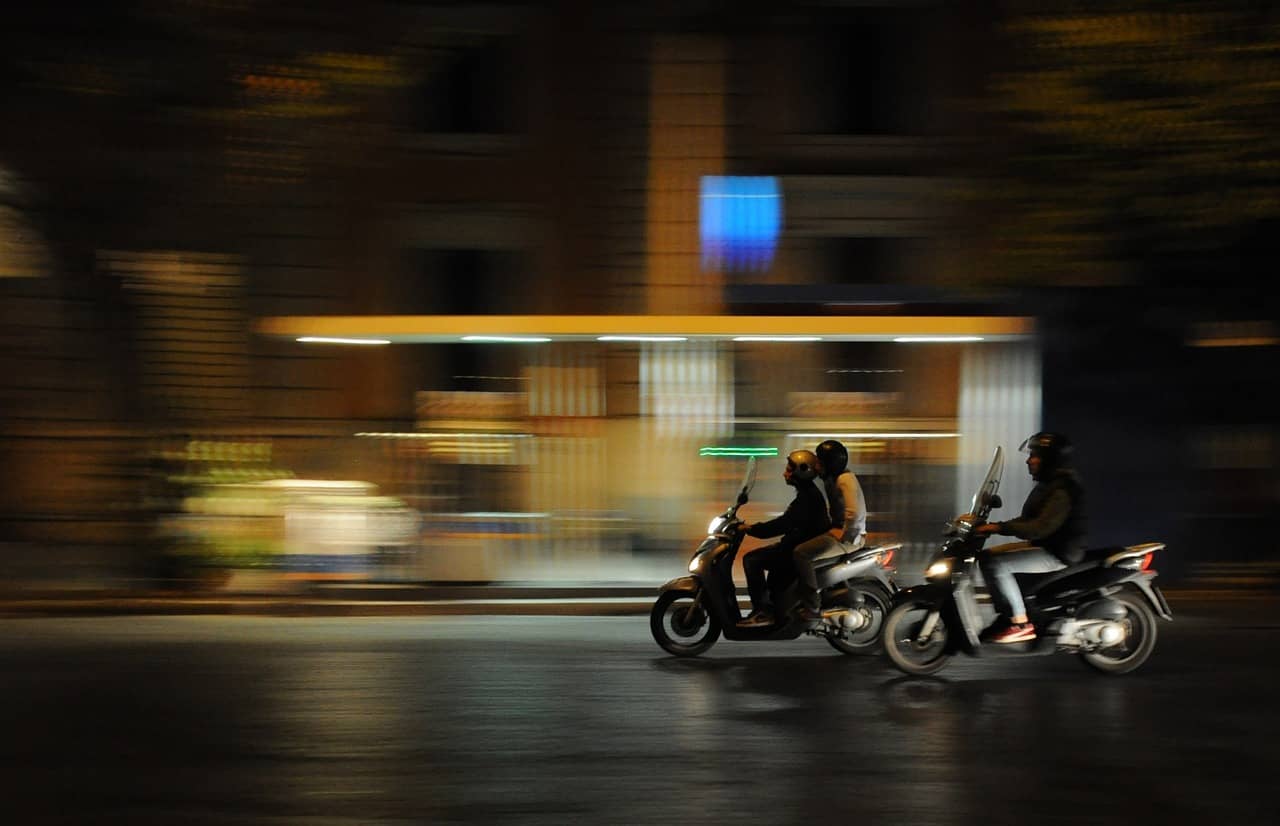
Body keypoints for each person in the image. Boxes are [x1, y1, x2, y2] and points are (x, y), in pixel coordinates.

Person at [974, 431, 1086, 643]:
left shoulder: (1062, 488)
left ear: (1049, 458)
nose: (1029, 460)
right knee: (987, 557)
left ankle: (1019, 623)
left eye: (1034, 455)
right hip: (1045, 545)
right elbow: (1029, 520)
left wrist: (999, 528)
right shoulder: (1049, 485)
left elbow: (1040, 527)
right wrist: (991, 524)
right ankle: (1006, 615)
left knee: (997, 565)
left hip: (1057, 553)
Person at [737, 449, 829, 627]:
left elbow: (783, 524)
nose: (785, 473)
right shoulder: (806, 493)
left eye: (789, 469)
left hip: (796, 549)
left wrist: (751, 529)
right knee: (768, 566)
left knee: (752, 560)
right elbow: (788, 522)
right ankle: (773, 608)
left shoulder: (808, 498)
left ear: (802, 470)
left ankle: (763, 611)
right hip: (793, 545)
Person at [791, 439, 868, 622]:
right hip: (841, 532)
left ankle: (812, 606)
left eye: (820, 461)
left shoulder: (845, 480)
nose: (817, 464)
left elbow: (854, 512)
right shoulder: (832, 478)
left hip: (850, 537)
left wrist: (844, 533)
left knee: (801, 554)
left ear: (829, 464)